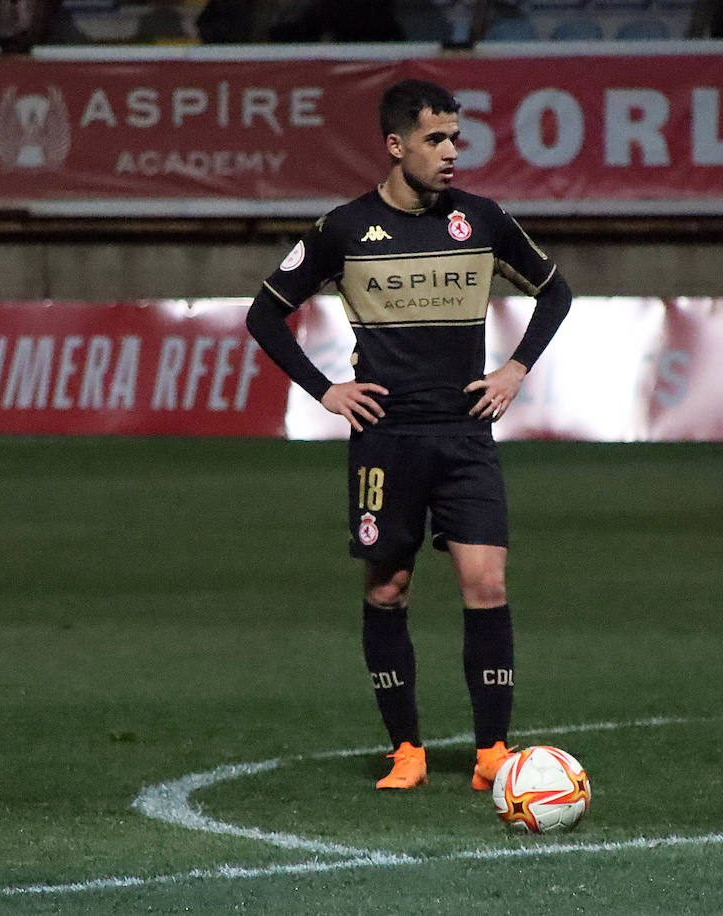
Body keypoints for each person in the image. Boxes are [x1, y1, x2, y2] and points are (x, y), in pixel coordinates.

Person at [245, 78, 572, 791]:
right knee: (388, 589)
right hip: (386, 443)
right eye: (436, 139)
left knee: (486, 584)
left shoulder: (482, 220)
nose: (452, 152)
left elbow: (556, 290)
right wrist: (325, 389)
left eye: (456, 137)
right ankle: (407, 751)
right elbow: (264, 315)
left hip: (465, 437)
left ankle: (492, 754)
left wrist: (515, 368)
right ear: (396, 146)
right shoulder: (343, 229)